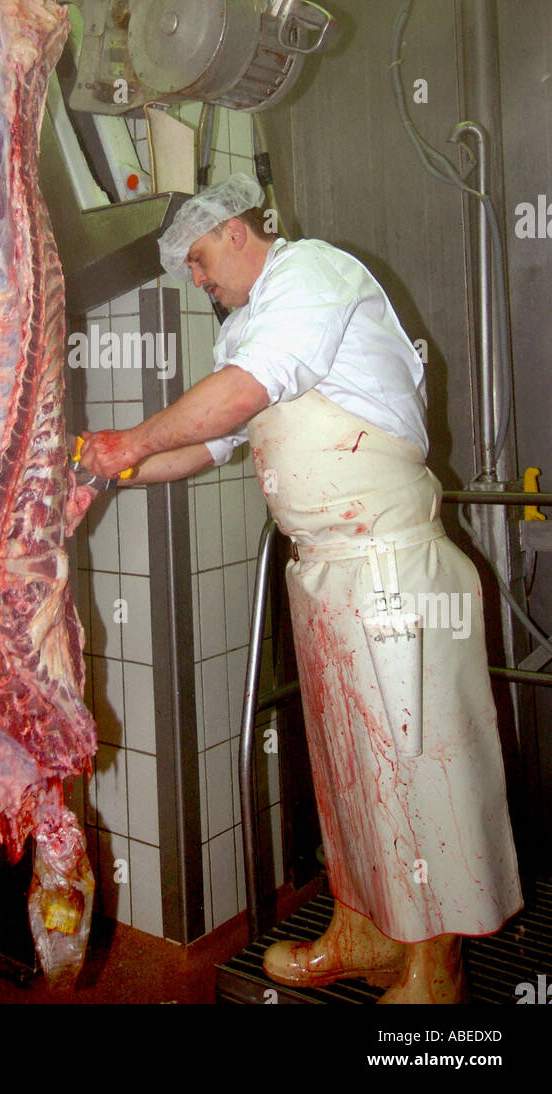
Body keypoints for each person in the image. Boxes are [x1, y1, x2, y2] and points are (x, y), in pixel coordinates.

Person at [77, 173, 523, 1004]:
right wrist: (103, 469)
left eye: (202, 261)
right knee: (348, 767)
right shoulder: (251, 327)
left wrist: (126, 438)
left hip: (388, 566)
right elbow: (210, 445)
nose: (199, 281)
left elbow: (238, 399)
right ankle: (365, 925)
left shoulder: (313, 274)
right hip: (324, 574)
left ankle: (435, 965)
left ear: (239, 229)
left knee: (417, 763)